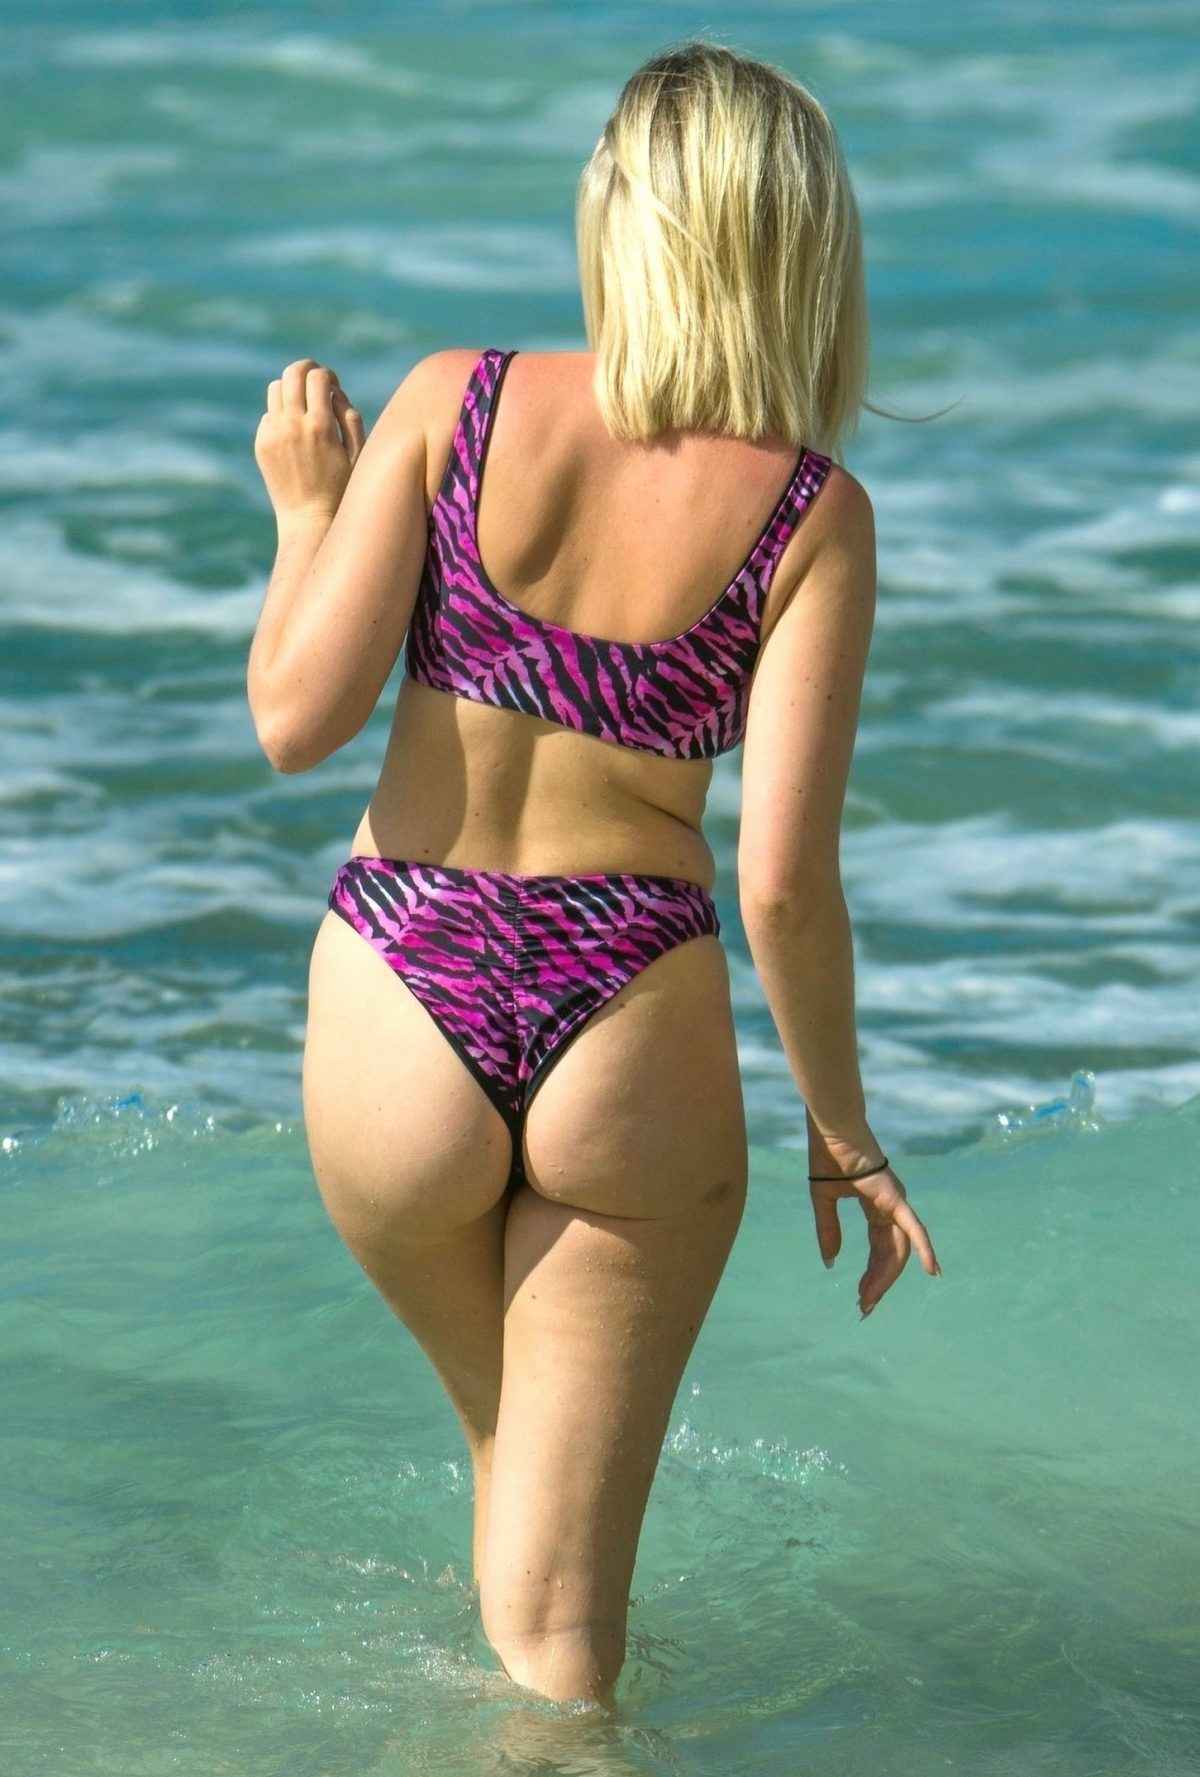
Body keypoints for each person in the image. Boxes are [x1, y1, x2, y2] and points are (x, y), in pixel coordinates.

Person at [247, 38, 940, 1713]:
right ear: (800, 256)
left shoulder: (457, 402)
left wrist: (304, 518)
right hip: (624, 1007)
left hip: (396, 989)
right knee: (566, 1621)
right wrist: (844, 1132)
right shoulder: (810, 515)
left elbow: (292, 719)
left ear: (618, 225)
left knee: (518, 1476)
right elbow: (782, 883)